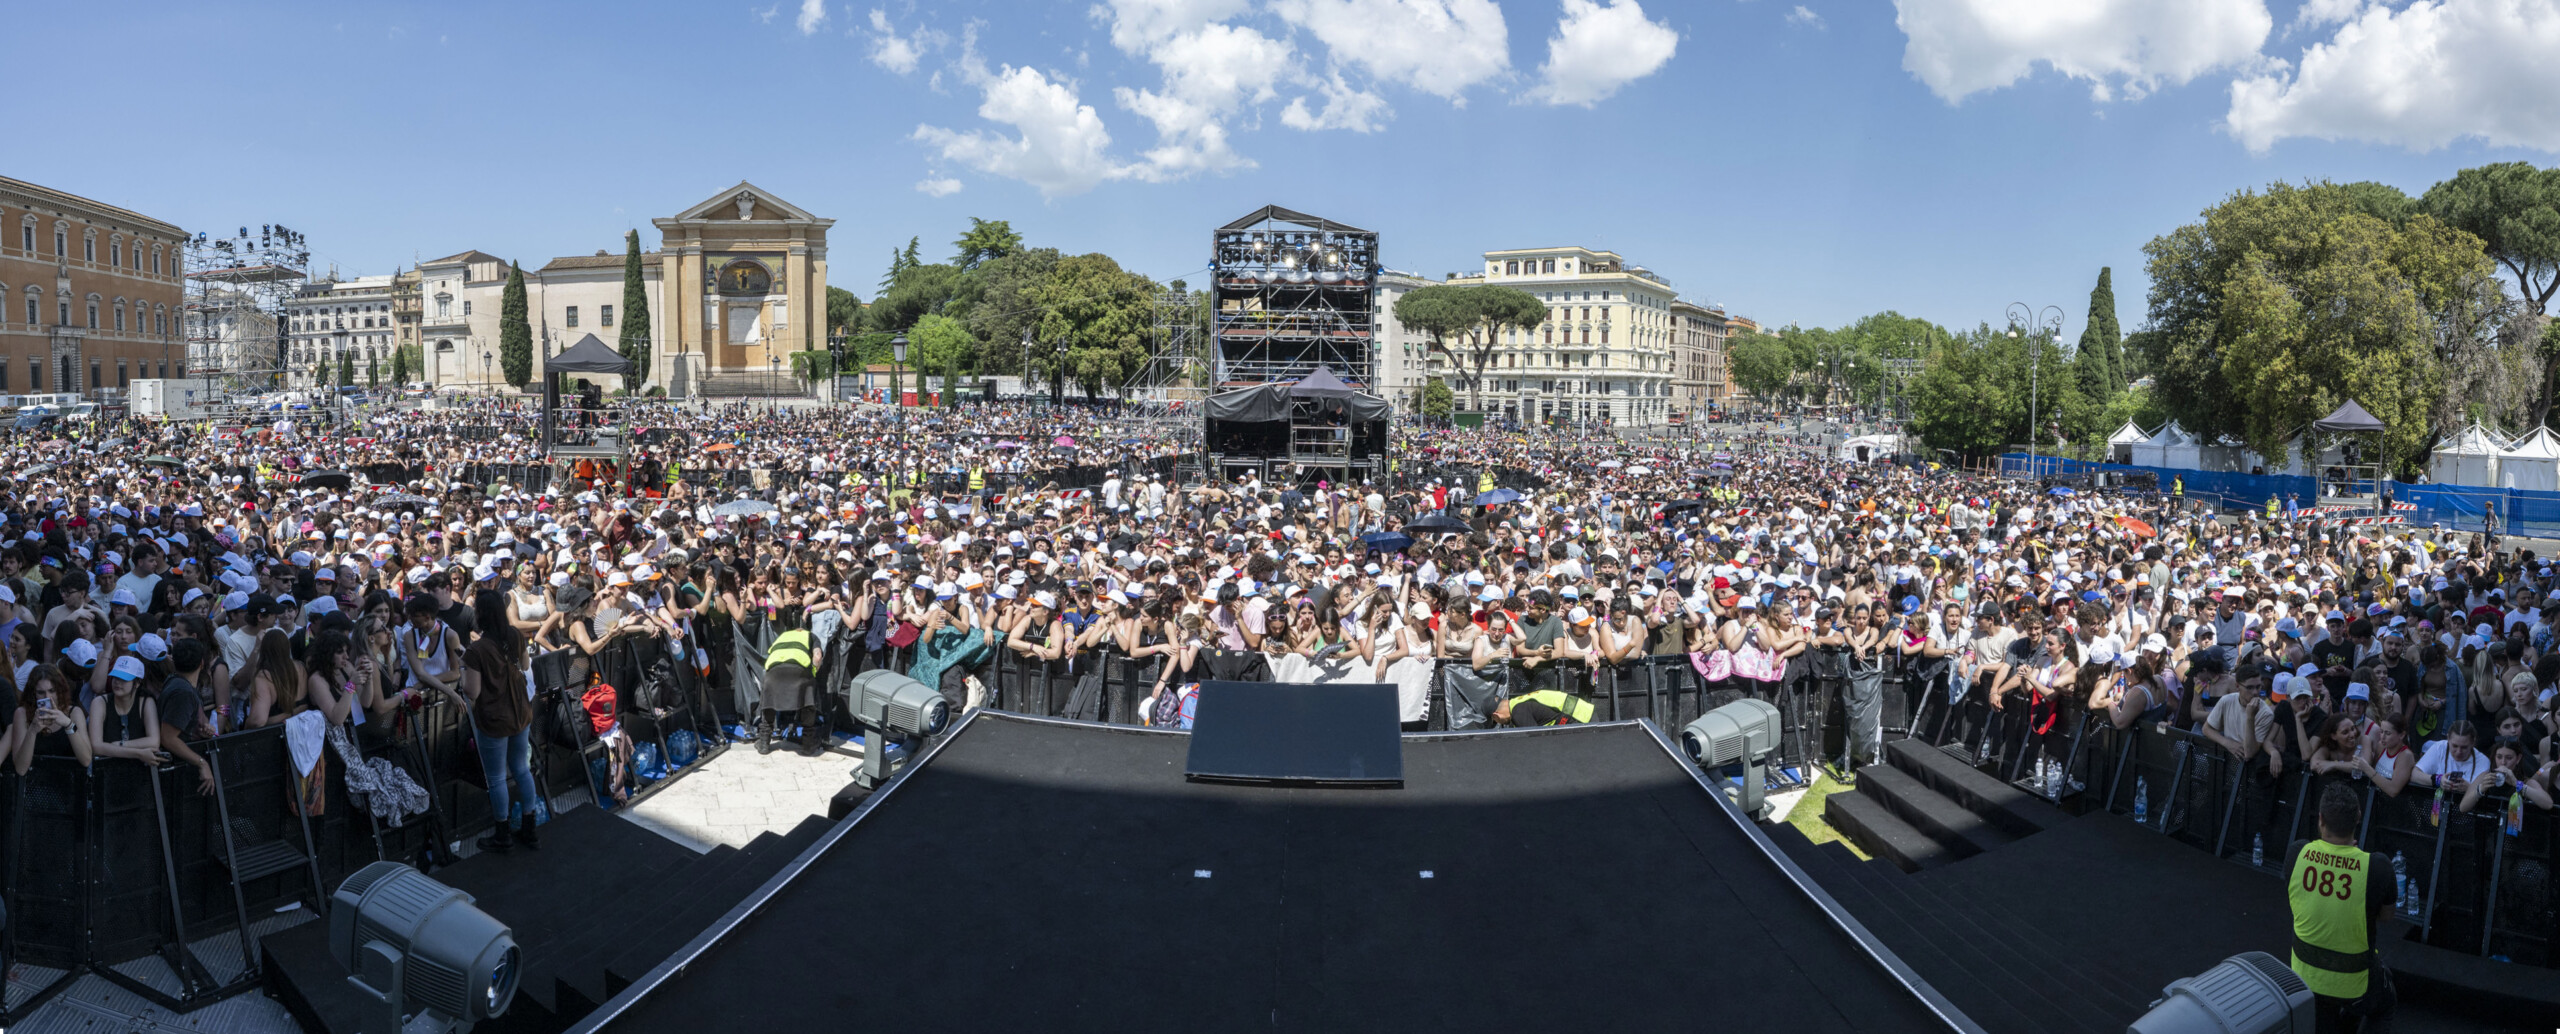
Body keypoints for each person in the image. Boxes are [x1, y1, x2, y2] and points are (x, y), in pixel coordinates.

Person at [2287, 783, 2392, 1032]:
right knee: (2386, 1004)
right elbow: (2387, 916)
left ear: (2320, 819)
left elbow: (2299, 902)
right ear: (2358, 818)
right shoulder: (2377, 866)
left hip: (2304, 978)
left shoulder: (2297, 853)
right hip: (2356, 983)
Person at [446, 591, 539, 854]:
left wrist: (464, 668)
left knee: (496, 777)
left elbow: (472, 692)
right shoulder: (515, 635)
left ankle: (502, 833)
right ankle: (530, 828)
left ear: (481, 615)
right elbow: (524, 663)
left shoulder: (476, 650)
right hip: (520, 711)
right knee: (521, 768)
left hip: (494, 718)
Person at [759, 625, 826, 757]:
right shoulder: (810, 636)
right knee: (808, 700)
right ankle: (808, 744)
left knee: (768, 702)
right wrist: (813, 672)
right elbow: (817, 657)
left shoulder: (783, 636)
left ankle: (764, 743)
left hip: (773, 674)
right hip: (798, 672)